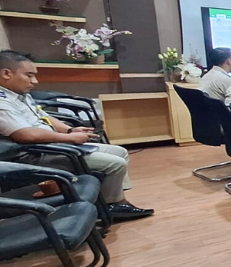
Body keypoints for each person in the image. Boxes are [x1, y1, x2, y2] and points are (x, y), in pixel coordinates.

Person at [0, 50, 153, 220]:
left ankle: (112, 201)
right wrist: (68, 138)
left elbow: (44, 117)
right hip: (37, 154)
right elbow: (25, 135)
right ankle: (112, 207)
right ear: (6, 73)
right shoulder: (2, 102)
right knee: (115, 164)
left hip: (53, 145)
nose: (34, 81)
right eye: (29, 75)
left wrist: (69, 130)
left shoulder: (21, 95)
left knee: (120, 152)